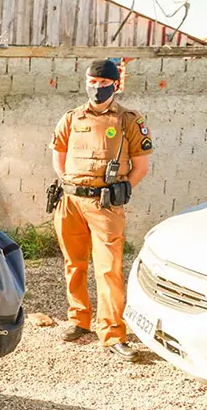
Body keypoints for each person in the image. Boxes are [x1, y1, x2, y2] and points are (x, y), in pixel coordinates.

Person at [50, 59, 153, 361]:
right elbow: (59, 152)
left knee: (108, 269)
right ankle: (79, 319)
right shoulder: (71, 118)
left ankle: (112, 333)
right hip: (70, 202)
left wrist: (123, 188)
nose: (96, 89)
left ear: (115, 85)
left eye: (103, 84)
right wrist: (66, 180)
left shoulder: (128, 120)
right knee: (74, 263)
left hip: (105, 204)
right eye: (91, 83)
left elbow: (141, 165)